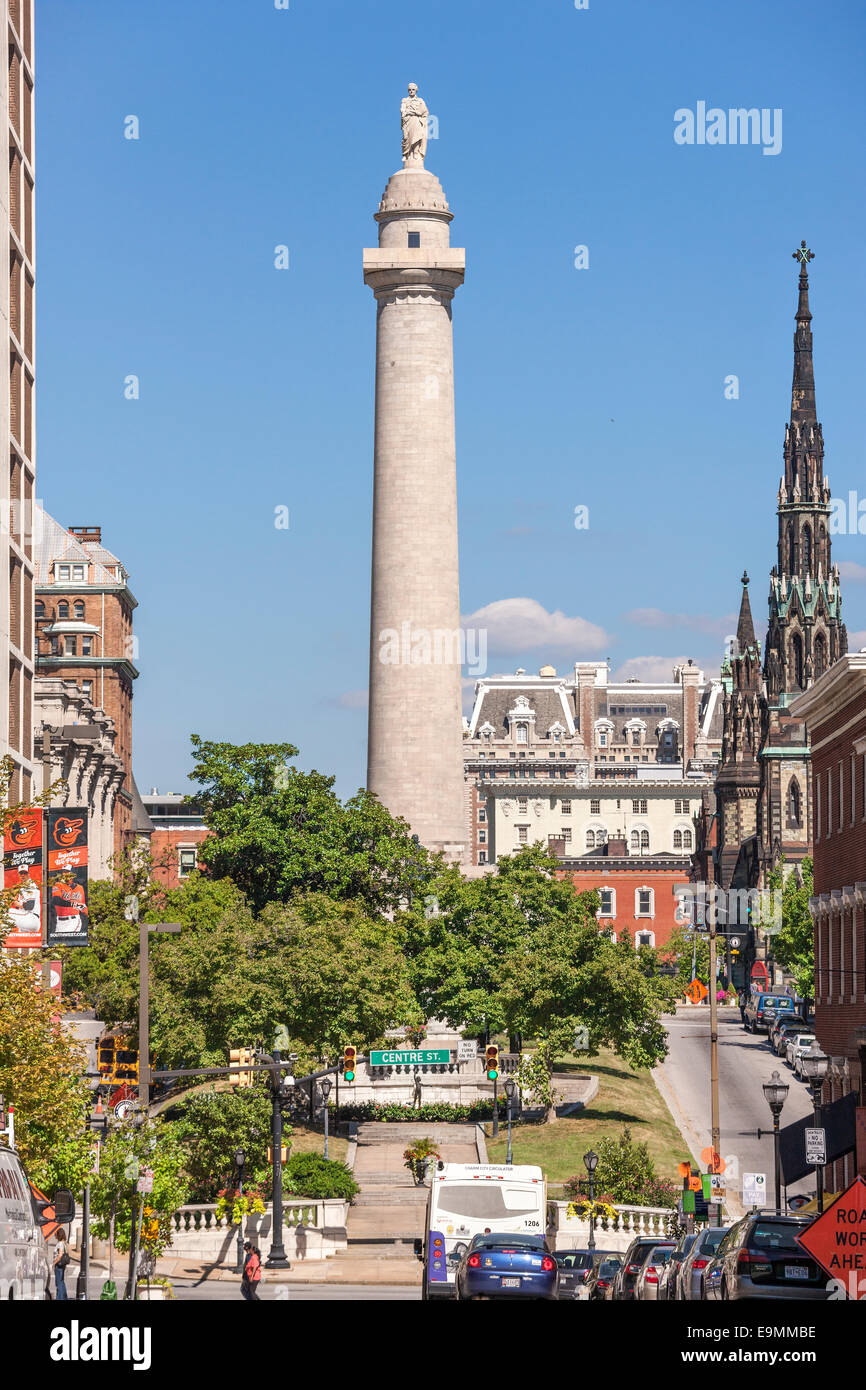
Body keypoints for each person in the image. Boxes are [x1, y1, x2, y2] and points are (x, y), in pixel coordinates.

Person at [53, 1228, 70, 1301]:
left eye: (56, 1233)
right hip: (62, 1265)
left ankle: (59, 1298)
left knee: (58, 1283)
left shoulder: (60, 1244)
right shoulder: (64, 1243)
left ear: (59, 1235)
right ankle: (64, 1297)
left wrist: (54, 1263)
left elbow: (60, 1255)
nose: (55, 1235)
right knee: (61, 1282)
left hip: (59, 1265)